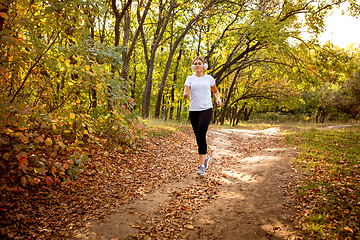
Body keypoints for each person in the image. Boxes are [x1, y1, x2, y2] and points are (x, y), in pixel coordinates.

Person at [183, 56, 222, 176]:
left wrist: (218, 100)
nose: (197, 65)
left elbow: (215, 91)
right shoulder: (190, 78)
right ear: (193, 66)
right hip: (193, 110)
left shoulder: (209, 78)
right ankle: (205, 156)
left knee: (201, 134)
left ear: (204, 66)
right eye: (195, 64)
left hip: (206, 109)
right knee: (198, 137)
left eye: (199, 63)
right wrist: (185, 94)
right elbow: (186, 89)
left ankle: (201, 166)